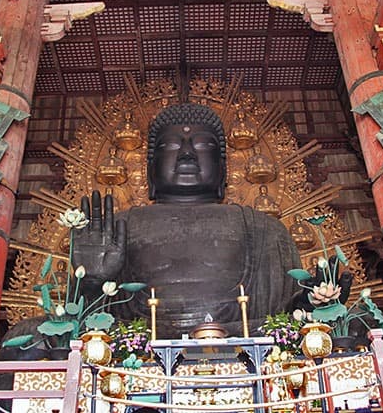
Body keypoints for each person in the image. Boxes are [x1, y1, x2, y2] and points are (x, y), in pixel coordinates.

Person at [72, 103, 301, 338]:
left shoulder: (265, 230)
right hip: (134, 350)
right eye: (170, 146)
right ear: (150, 169)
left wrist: (312, 301)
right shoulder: (114, 231)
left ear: (223, 167)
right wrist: (89, 282)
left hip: (247, 348)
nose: (187, 153)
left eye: (203, 145)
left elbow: (290, 313)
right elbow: (85, 321)